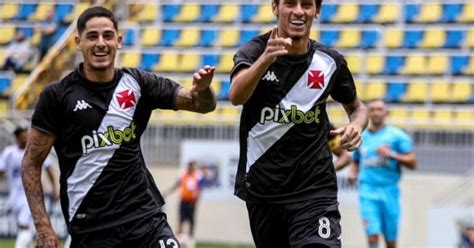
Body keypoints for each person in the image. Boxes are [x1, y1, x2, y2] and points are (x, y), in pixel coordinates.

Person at [21, 6, 216, 248]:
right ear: (78, 42)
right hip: (91, 227)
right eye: (92, 36)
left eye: (108, 36)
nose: (101, 43)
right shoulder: (57, 96)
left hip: (145, 219)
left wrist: (204, 88)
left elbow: (201, 105)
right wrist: (43, 227)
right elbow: (31, 162)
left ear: (119, 40)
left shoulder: (139, 83)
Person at [229, 0, 369, 246]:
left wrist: (356, 126)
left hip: (315, 189)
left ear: (317, 11)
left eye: (306, 5)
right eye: (290, 3)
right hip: (264, 189)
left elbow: (357, 108)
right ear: (275, 7)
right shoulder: (254, 51)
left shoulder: (329, 62)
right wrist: (265, 61)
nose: (298, 11)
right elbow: (236, 96)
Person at [351, 99, 417, 248]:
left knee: (390, 241)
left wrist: (392, 155)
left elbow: (413, 162)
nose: (376, 113)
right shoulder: (361, 136)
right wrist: (353, 172)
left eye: (379, 109)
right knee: (372, 236)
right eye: (372, 109)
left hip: (389, 191)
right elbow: (355, 160)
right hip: (367, 191)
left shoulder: (397, 136)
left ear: (386, 112)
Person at [0, 127, 58, 248]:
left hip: (30, 194)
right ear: (17, 137)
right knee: (23, 227)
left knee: (24, 225)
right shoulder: (9, 152)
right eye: (22, 135)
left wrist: (54, 188)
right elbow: (1, 171)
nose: (25, 137)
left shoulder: (34, 150)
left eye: (27, 134)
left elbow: (49, 169)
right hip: (14, 195)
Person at [164, 160, 208, 247]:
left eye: (192, 166)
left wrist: (196, 201)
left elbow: (199, 189)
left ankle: (190, 239)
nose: (190, 168)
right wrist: (167, 192)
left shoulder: (198, 176)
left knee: (191, 220)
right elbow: (177, 185)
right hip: (183, 201)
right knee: (181, 219)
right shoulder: (183, 174)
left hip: (192, 201)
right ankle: (179, 238)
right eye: (189, 166)